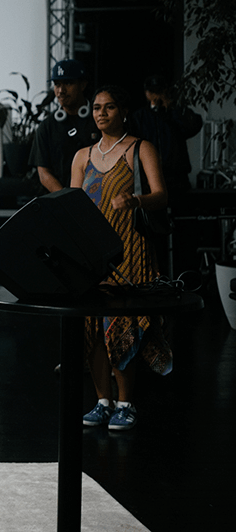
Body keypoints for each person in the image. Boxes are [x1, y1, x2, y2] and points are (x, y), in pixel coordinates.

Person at [70, 85, 173, 432]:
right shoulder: (82, 155)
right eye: (97, 107)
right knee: (91, 329)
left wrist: (136, 201)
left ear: (123, 111)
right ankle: (102, 401)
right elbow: (71, 204)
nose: (101, 113)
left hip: (129, 250)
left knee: (121, 327)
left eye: (109, 107)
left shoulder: (139, 148)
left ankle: (125, 403)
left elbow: (161, 195)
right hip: (90, 254)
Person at [128, 74, 202, 204]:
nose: (157, 95)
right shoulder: (139, 117)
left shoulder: (175, 112)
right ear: (147, 93)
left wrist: (171, 107)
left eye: (160, 91)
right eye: (153, 92)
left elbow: (193, 126)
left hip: (177, 178)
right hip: (150, 178)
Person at [30, 59, 98, 193]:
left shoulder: (99, 120)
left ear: (83, 85)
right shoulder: (47, 127)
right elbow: (44, 174)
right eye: (57, 84)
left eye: (68, 83)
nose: (61, 90)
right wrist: (67, 201)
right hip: (61, 203)